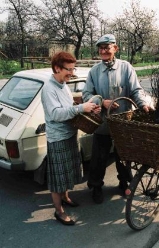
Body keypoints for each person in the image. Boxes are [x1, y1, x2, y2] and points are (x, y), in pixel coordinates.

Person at [82, 34, 154, 204]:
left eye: (107, 47)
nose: (104, 51)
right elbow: (86, 94)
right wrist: (101, 101)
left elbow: (136, 90)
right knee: (99, 157)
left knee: (124, 155)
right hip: (103, 123)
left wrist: (142, 104)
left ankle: (124, 183)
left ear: (115, 48)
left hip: (124, 123)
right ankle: (96, 186)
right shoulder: (94, 71)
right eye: (101, 48)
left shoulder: (126, 67)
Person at [41, 51, 101, 225]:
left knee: (67, 173)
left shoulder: (62, 84)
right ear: (57, 68)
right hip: (58, 139)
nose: (72, 73)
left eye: (73, 69)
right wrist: (80, 108)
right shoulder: (49, 88)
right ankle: (59, 212)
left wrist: (88, 107)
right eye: (68, 69)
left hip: (69, 134)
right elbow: (55, 114)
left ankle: (66, 198)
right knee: (58, 178)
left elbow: (68, 106)